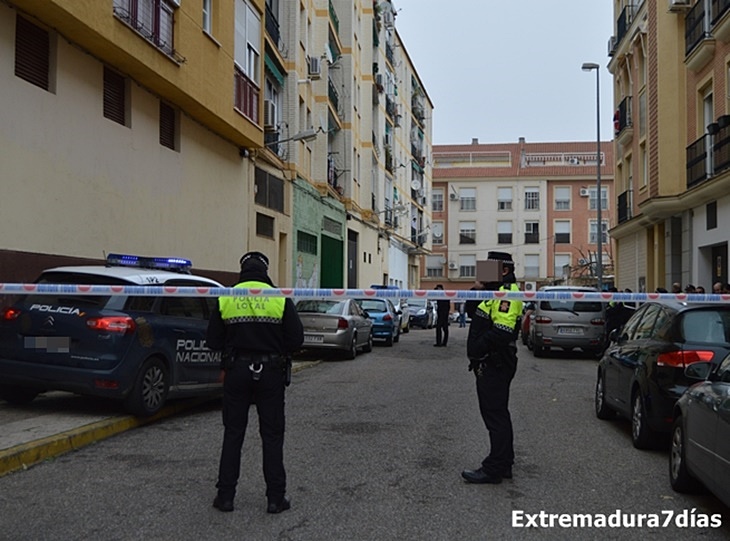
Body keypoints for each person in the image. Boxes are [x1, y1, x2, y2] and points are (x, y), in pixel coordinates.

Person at [206, 251, 304, 514]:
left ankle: (225, 497)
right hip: (270, 371)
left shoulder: (228, 296)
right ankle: (275, 498)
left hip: (236, 371)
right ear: (265, 270)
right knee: (272, 436)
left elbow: (213, 341)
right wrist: (274, 346)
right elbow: (296, 339)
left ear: (242, 270)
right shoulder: (278, 297)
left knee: (233, 433)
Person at [462, 252, 523, 485]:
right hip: (490, 361)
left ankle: (494, 468)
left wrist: (478, 348)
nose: (482, 272)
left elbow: (502, 331)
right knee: (497, 413)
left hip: (496, 361)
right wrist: (476, 287)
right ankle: (504, 462)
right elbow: (471, 313)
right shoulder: (492, 292)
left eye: (488, 269)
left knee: (495, 416)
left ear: (504, 271)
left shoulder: (508, 293)